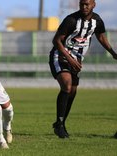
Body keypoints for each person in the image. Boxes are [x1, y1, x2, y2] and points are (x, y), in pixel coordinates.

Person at [49, 0, 117, 138]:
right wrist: (69, 58)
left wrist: (113, 53)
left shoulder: (97, 21)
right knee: (67, 86)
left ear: (93, 5)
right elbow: (56, 41)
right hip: (60, 56)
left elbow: (101, 37)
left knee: (72, 92)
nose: (84, 7)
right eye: (82, 4)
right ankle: (60, 124)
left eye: (87, 4)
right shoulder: (71, 20)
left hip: (77, 60)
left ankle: (59, 123)